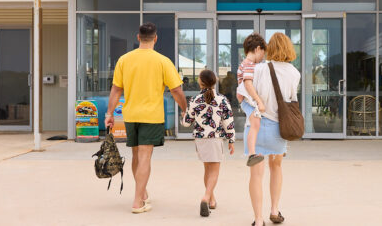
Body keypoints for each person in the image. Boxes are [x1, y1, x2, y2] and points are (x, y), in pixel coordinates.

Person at [105, 22, 187, 214]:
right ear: (155, 38)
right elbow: (176, 90)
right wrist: (185, 109)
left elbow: (116, 89)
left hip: (131, 114)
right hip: (151, 115)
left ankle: (142, 193)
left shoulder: (124, 60)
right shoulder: (163, 61)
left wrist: (109, 114)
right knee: (145, 157)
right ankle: (137, 202)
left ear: (138, 37)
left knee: (136, 156)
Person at [247, 32, 300, 226]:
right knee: (276, 167)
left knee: (256, 173)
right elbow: (291, 100)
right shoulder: (295, 73)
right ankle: (274, 210)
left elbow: (246, 95)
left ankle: (258, 219)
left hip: (258, 125)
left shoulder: (259, 69)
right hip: (280, 127)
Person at [181, 69, 235, 217]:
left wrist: (184, 116)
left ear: (200, 82)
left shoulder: (194, 100)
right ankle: (206, 197)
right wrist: (231, 140)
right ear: (214, 82)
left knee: (207, 170)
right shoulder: (222, 99)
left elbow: (186, 123)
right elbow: (228, 122)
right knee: (214, 171)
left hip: (200, 139)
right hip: (215, 138)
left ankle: (211, 200)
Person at [236, 33, 267, 167]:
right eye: (263, 53)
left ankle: (252, 152)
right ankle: (251, 153)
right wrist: (259, 101)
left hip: (246, 100)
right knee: (254, 124)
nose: (262, 57)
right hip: (248, 100)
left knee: (254, 124)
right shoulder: (249, 64)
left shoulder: (245, 63)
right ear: (258, 49)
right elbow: (248, 84)